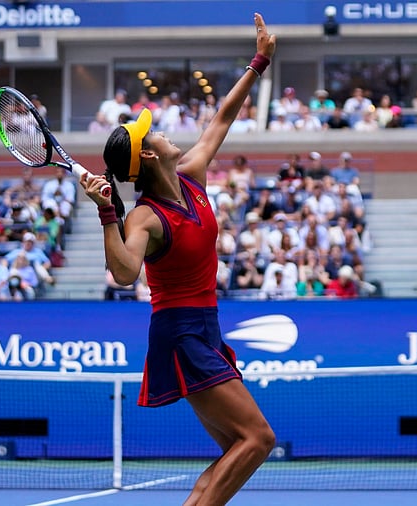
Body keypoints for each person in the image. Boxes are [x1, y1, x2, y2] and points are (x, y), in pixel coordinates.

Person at [79, 14, 276, 505]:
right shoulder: (143, 218)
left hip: (206, 328)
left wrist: (259, 63)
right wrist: (107, 213)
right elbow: (124, 274)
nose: (163, 132)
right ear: (148, 157)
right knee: (258, 439)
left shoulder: (191, 174)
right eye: (154, 133)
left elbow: (222, 118)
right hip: (180, 333)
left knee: (238, 446)